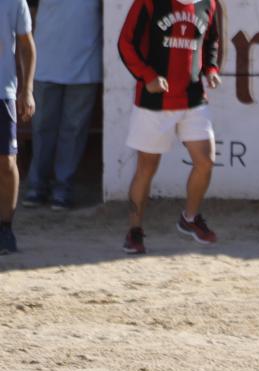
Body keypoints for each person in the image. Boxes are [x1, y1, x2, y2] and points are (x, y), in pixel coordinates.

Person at [116, 0, 222, 255]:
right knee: (146, 168)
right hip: (154, 102)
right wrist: (147, 75)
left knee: (205, 162)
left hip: (193, 98)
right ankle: (134, 231)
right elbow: (125, 43)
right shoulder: (149, 2)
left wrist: (211, 68)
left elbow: (211, 41)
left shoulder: (209, 4)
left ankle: (189, 218)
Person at [22, 0, 102, 211]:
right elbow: (25, 11)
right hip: (44, 63)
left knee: (74, 132)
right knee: (42, 128)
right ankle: (37, 186)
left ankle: (62, 188)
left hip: (86, 65)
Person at [0, 0, 35, 254]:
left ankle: (5, 228)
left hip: (3, 92)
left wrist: (28, 90)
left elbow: (26, 45)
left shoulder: (14, 1)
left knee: (7, 162)